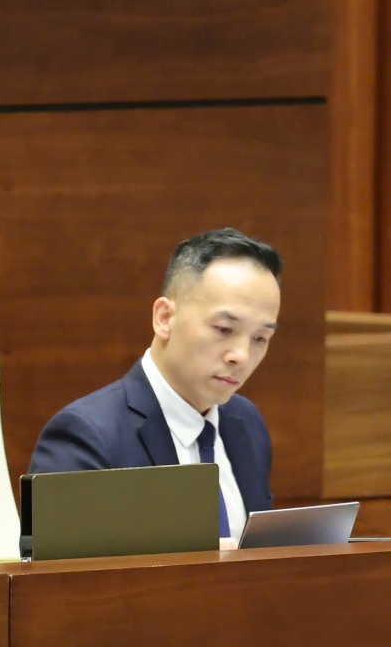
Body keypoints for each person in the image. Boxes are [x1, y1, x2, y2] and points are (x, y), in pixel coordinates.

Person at [29, 228, 281, 543]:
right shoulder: (88, 435)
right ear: (164, 317)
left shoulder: (246, 424)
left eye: (260, 338)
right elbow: (56, 583)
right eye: (224, 328)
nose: (241, 356)